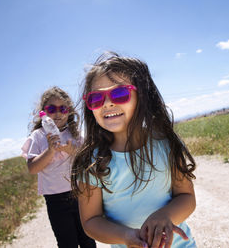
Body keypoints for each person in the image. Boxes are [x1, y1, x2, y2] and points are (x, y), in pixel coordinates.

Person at [71, 52, 197, 248]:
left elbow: (187, 197)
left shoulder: (166, 142)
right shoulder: (91, 162)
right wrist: (126, 236)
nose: (107, 103)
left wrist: (165, 215)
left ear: (143, 96)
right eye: (96, 98)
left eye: (119, 93)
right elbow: (90, 222)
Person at [21, 86, 96, 248]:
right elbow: (32, 168)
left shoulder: (75, 134)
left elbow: (87, 161)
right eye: (51, 109)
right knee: (66, 242)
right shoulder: (38, 136)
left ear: (68, 112)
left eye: (63, 108)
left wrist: (71, 150)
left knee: (87, 239)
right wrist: (50, 150)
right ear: (43, 112)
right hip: (55, 199)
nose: (57, 113)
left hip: (80, 193)